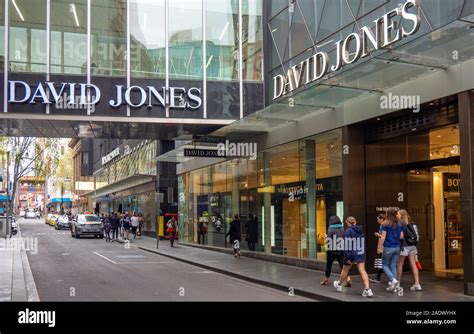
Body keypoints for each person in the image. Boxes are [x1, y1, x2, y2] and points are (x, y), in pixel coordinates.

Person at [333, 217, 373, 298]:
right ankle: (367, 289)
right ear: (355, 222)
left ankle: (339, 284)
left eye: (346, 223)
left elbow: (347, 244)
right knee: (362, 271)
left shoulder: (348, 231)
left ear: (348, 222)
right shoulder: (361, 230)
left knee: (345, 270)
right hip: (360, 252)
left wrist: (347, 256)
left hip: (351, 254)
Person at [321, 216, 351, 287]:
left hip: (331, 249)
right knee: (343, 265)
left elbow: (328, 239)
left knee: (329, 264)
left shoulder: (331, 228)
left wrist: (326, 237)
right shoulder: (342, 228)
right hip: (340, 249)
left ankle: (326, 279)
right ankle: (348, 278)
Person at [379, 209, 404, 293]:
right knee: (393, 266)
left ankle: (393, 280)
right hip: (397, 247)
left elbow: (383, 237)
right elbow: (401, 236)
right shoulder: (399, 224)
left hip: (388, 247)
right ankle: (395, 287)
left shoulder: (385, 224)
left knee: (384, 265)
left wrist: (379, 247)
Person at [397, 209, 422, 291]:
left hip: (404, 246)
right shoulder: (412, 223)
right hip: (412, 246)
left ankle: (398, 283)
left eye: (398, 214)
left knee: (400, 264)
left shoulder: (401, 224)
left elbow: (401, 236)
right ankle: (417, 284)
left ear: (401, 215)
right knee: (413, 264)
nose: (397, 215)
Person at [369, 214, 386, 284]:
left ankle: (378, 277)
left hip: (384, 246)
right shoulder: (386, 225)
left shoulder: (383, 226)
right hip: (387, 246)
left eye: (378, 219)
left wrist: (378, 235)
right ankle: (378, 277)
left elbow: (383, 237)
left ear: (382, 219)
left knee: (381, 262)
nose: (377, 221)